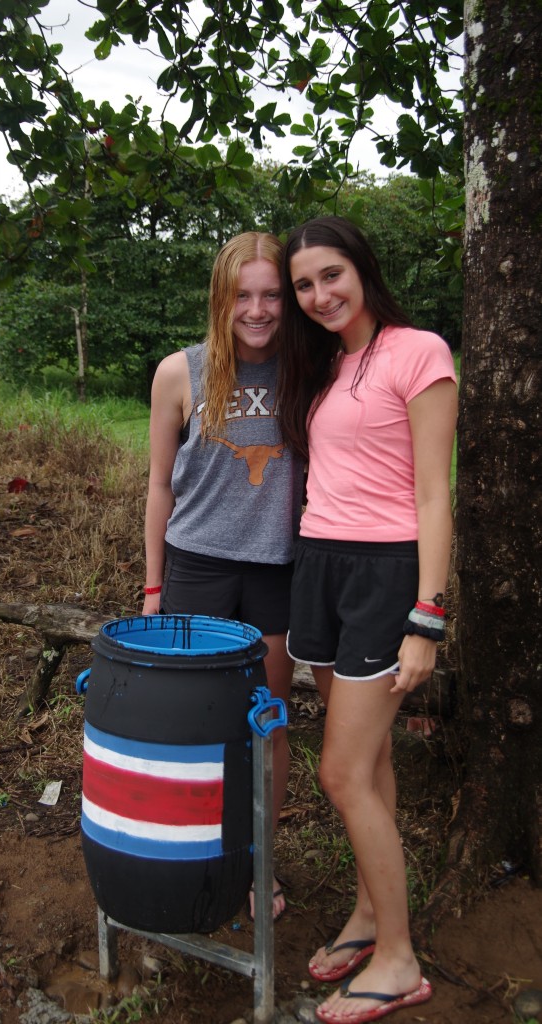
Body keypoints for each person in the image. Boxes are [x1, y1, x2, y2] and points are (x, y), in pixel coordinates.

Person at [276, 216, 457, 1023]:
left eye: (330, 276)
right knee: (370, 760)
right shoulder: (324, 365)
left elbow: (431, 493)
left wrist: (426, 615)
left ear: (362, 269)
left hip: (385, 576)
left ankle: (399, 958)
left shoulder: (419, 351)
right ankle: (366, 917)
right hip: (319, 564)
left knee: (340, 773)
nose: (318, 295)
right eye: (303, 284)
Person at [143, 231, 304, 921]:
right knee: (191, 728)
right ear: (220, 296)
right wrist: (153, 588)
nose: (258, 309)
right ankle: (185, 859)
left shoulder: (307, 370)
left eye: (271, 294)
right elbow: (158, 486)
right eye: (243, 294)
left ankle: (255, 862)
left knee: (265, 726)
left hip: (275, 569)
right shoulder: (180, 372)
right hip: (198, 566)